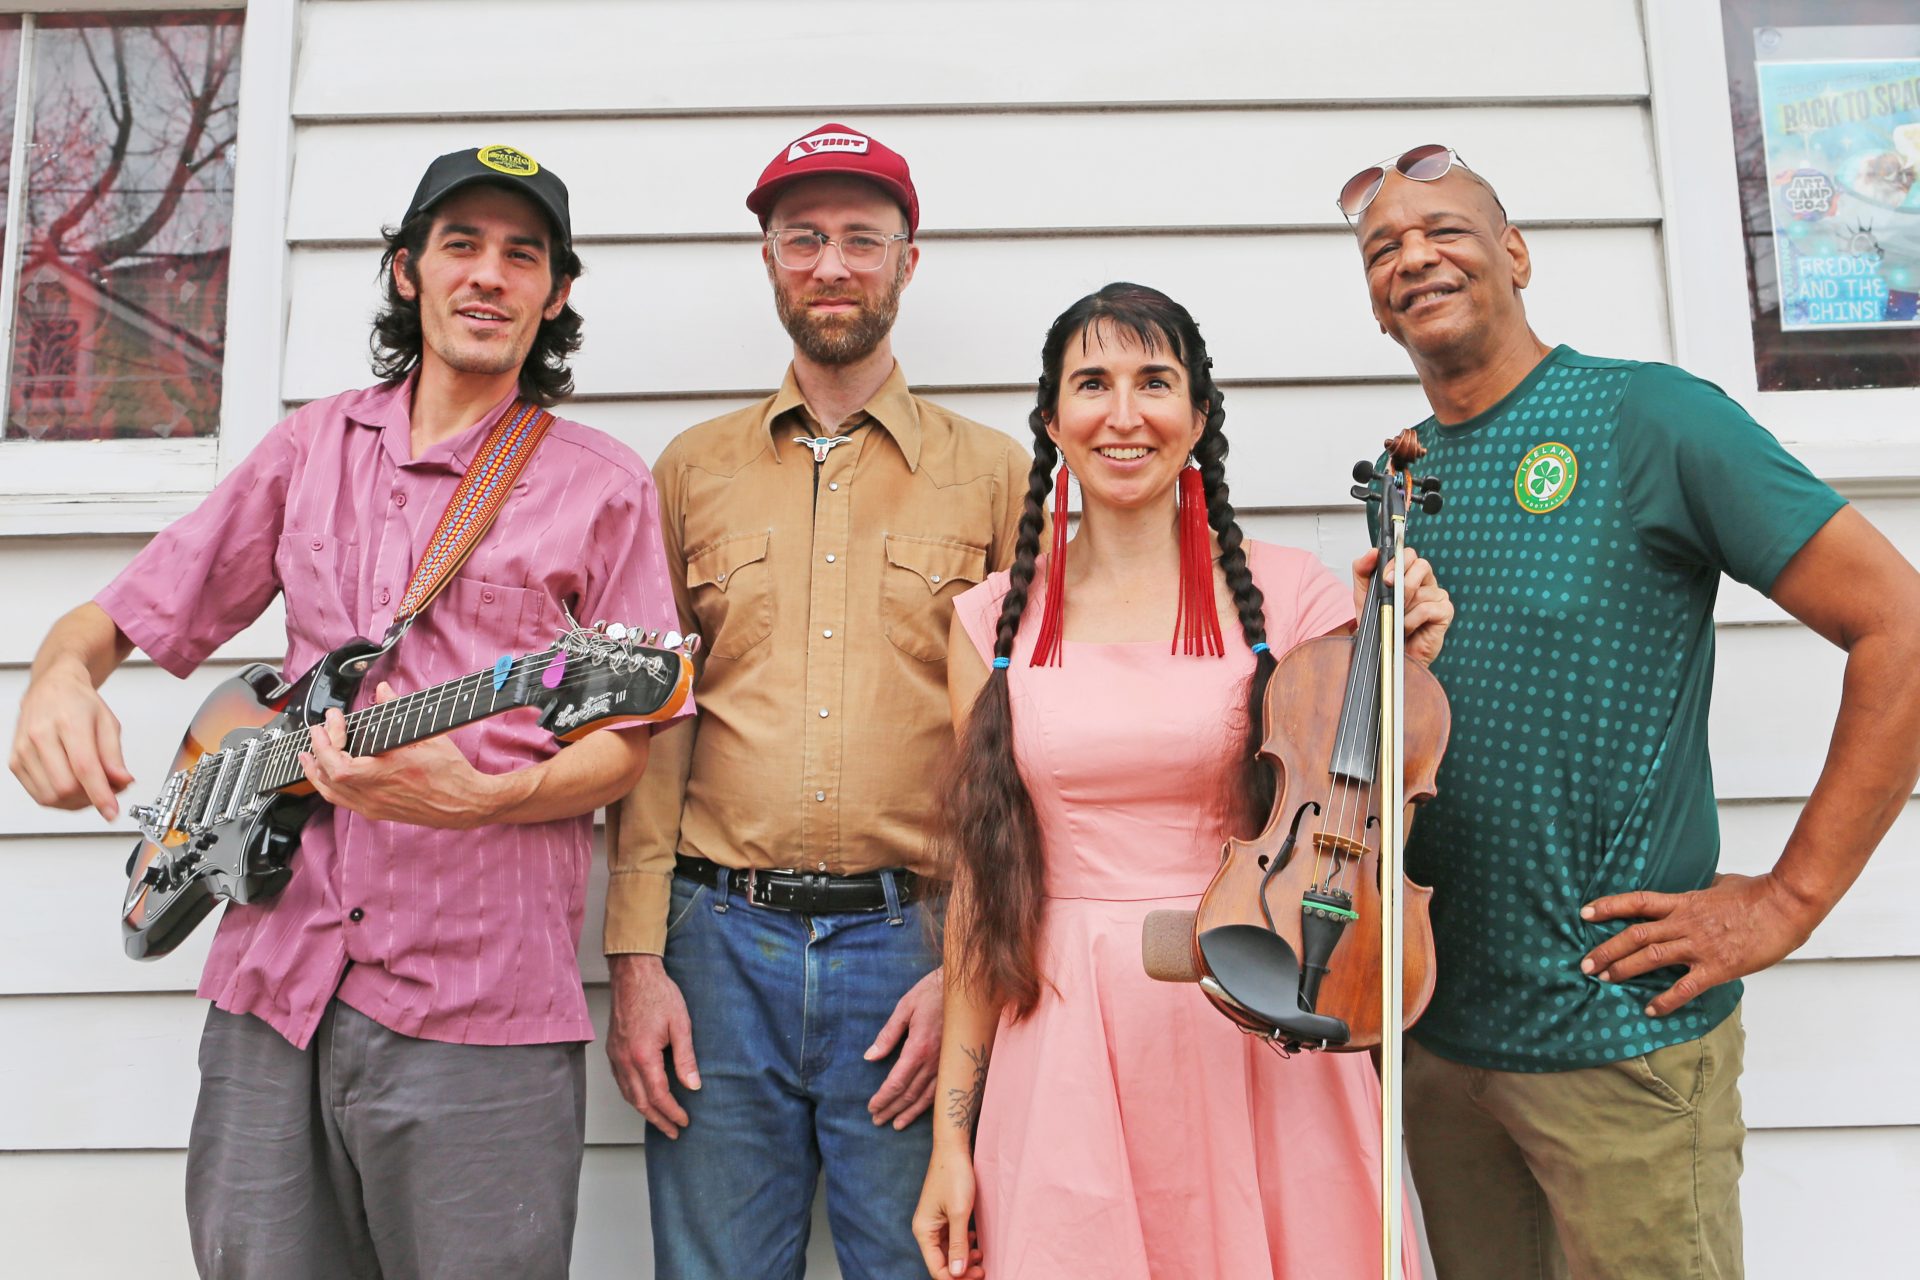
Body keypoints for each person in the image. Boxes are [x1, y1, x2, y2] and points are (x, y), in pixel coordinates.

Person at [7, 146, 687, 1278]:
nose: (488, 274)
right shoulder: (309, 446)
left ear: (556, 293)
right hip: (273, 981)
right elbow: (118, 616)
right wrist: (57, 678)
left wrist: (487, 796)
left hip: (479, 1005)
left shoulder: (603, 485)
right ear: (407, 270)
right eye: (460, 244)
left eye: (522, 255)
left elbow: (625, 746)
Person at [1343, 143, 1920, 1280]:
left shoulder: (1644, 416)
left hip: (1616, 1044)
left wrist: (1789, 899)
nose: (1414, 257)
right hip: (1436, 1047)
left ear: (1515, 253)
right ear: (1375, 303)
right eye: (1383, 249)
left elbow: (1899, 626)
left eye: (1445, 229)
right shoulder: (1401, 480)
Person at [912, 282, 1453, 1280]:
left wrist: (1397, 655)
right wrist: (953, 1135)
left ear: (1199, 417)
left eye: (1155, 382)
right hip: (1067, 1034)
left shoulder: (1292, 598)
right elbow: (984, 888)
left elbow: (1362, 813)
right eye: (1092, 383)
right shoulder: (987, 622)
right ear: (1051, 422)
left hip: (1259, 1002)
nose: (1124, 413)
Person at [602, 122, 1030, 1279]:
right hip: (716, 949)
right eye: (802, 239)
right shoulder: (689, 472)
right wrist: (637, 959)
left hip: (915, 946)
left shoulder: (997, 476)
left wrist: (972, 968)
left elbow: (1024, 744)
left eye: (859, 238)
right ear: (770, 261)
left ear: (907, 260)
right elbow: (653, 727)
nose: (831, 265)